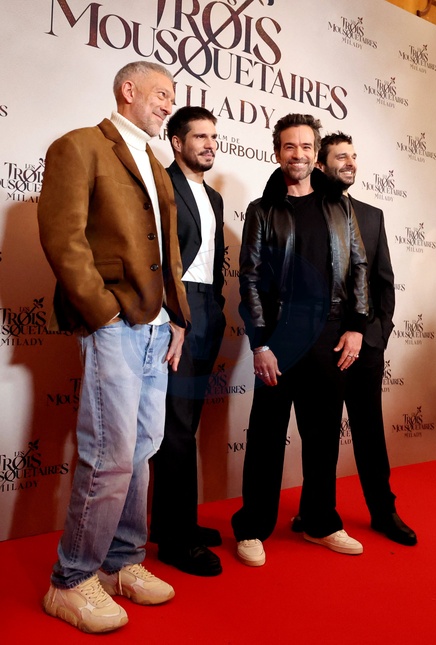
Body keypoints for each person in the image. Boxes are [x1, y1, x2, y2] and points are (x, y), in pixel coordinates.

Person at [37, 61, 190, 633]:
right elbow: (63, 238)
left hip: (157, 326)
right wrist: (103, 312)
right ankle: (71, 580)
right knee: (109, 452)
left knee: (143, 448)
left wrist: (177, 317)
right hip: (114, 324)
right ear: (129, 90)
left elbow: (168, 250)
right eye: (161, 94)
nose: (168, 105)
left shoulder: (155, 161)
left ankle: (121, 563)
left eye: (171, 96)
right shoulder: (79, 146)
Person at [231, 113, 369, 567]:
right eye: (289, 146)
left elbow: (359, 267)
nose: (299, 154)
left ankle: (320, 522)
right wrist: (260, 343)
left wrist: (356, 326)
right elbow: (250, 279)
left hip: (330, 332)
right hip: (280, 335)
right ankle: (253, 527)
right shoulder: (263, 210)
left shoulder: (339, 207)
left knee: (323, 433)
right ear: (277, 153)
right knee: (267, 435)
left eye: (306, 146)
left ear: (316, 154)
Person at [292, 132, 416, 546]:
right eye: (340, 157)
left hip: (365, 346)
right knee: (319, 434)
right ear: (321, 165)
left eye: (354, 156)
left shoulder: (371, 215)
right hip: (321, 343)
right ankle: (314, 509)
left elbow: (384, 284)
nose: (350, 163)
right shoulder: (305, 212)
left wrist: (372, 335)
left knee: (369, 433)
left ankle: (384, 511)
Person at [150, 106, 226, 576]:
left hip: (209, 311)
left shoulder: (214, 197)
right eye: (200, 136)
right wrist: (172, 314)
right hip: (176, 310)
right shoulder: (160, 184)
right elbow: (154, 255)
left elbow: (213, 261)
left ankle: (172, 524)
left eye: (214, 137)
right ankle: (177, 542)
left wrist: (214, 306)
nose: (209, 144)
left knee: (186, 423)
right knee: (176, 427)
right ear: (177, 142)